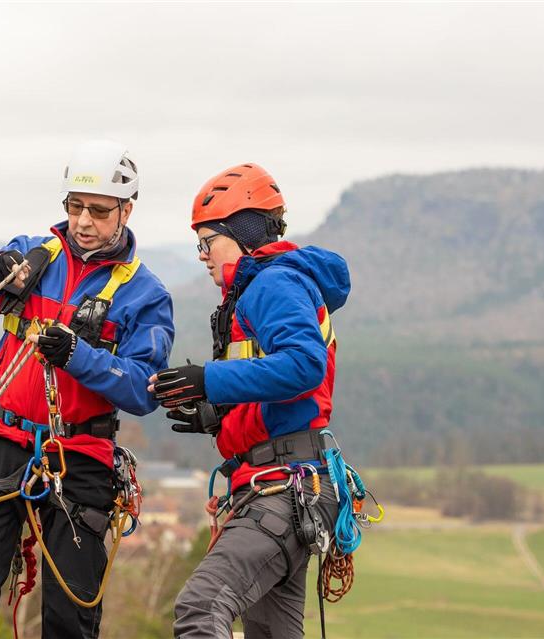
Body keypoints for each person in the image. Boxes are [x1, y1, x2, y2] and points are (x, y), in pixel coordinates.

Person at [0, 140, 173, 639]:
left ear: (126, 210)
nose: (84, 221)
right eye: (75, 207)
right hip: (3, 438)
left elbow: (143, 390)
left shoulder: (144, 295)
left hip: (79, 452)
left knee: (70, 611)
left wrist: (78, 357)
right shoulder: (35, 257)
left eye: (100, 211)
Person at [148, 163, 351, 638]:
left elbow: (304, 366)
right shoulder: (265, 287)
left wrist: (211, 380)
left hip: (282, 490)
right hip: (282, 485)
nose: (200, 254)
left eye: (207, 241)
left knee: (201, 607)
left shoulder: (271, 284)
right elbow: (279, 386)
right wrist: (217, 414)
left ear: (242, 235)